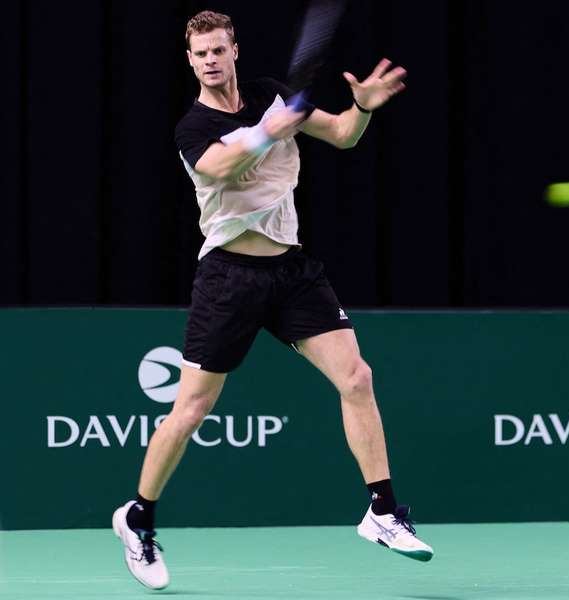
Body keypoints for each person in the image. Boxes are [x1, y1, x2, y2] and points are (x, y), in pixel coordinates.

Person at [111, 10, 432, 591]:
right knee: (190, 411)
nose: (210, 60)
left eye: (218, 49)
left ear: (234, 50)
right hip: (228, 278)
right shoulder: (192, 128)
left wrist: (361, 107)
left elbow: (342, 134)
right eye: (200, 53)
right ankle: (138, 516)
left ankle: (383, 512)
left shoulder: (271, 95)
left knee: (357, 378)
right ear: (190, 61)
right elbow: (221, 166)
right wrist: (269, 129)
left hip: (291, 270)